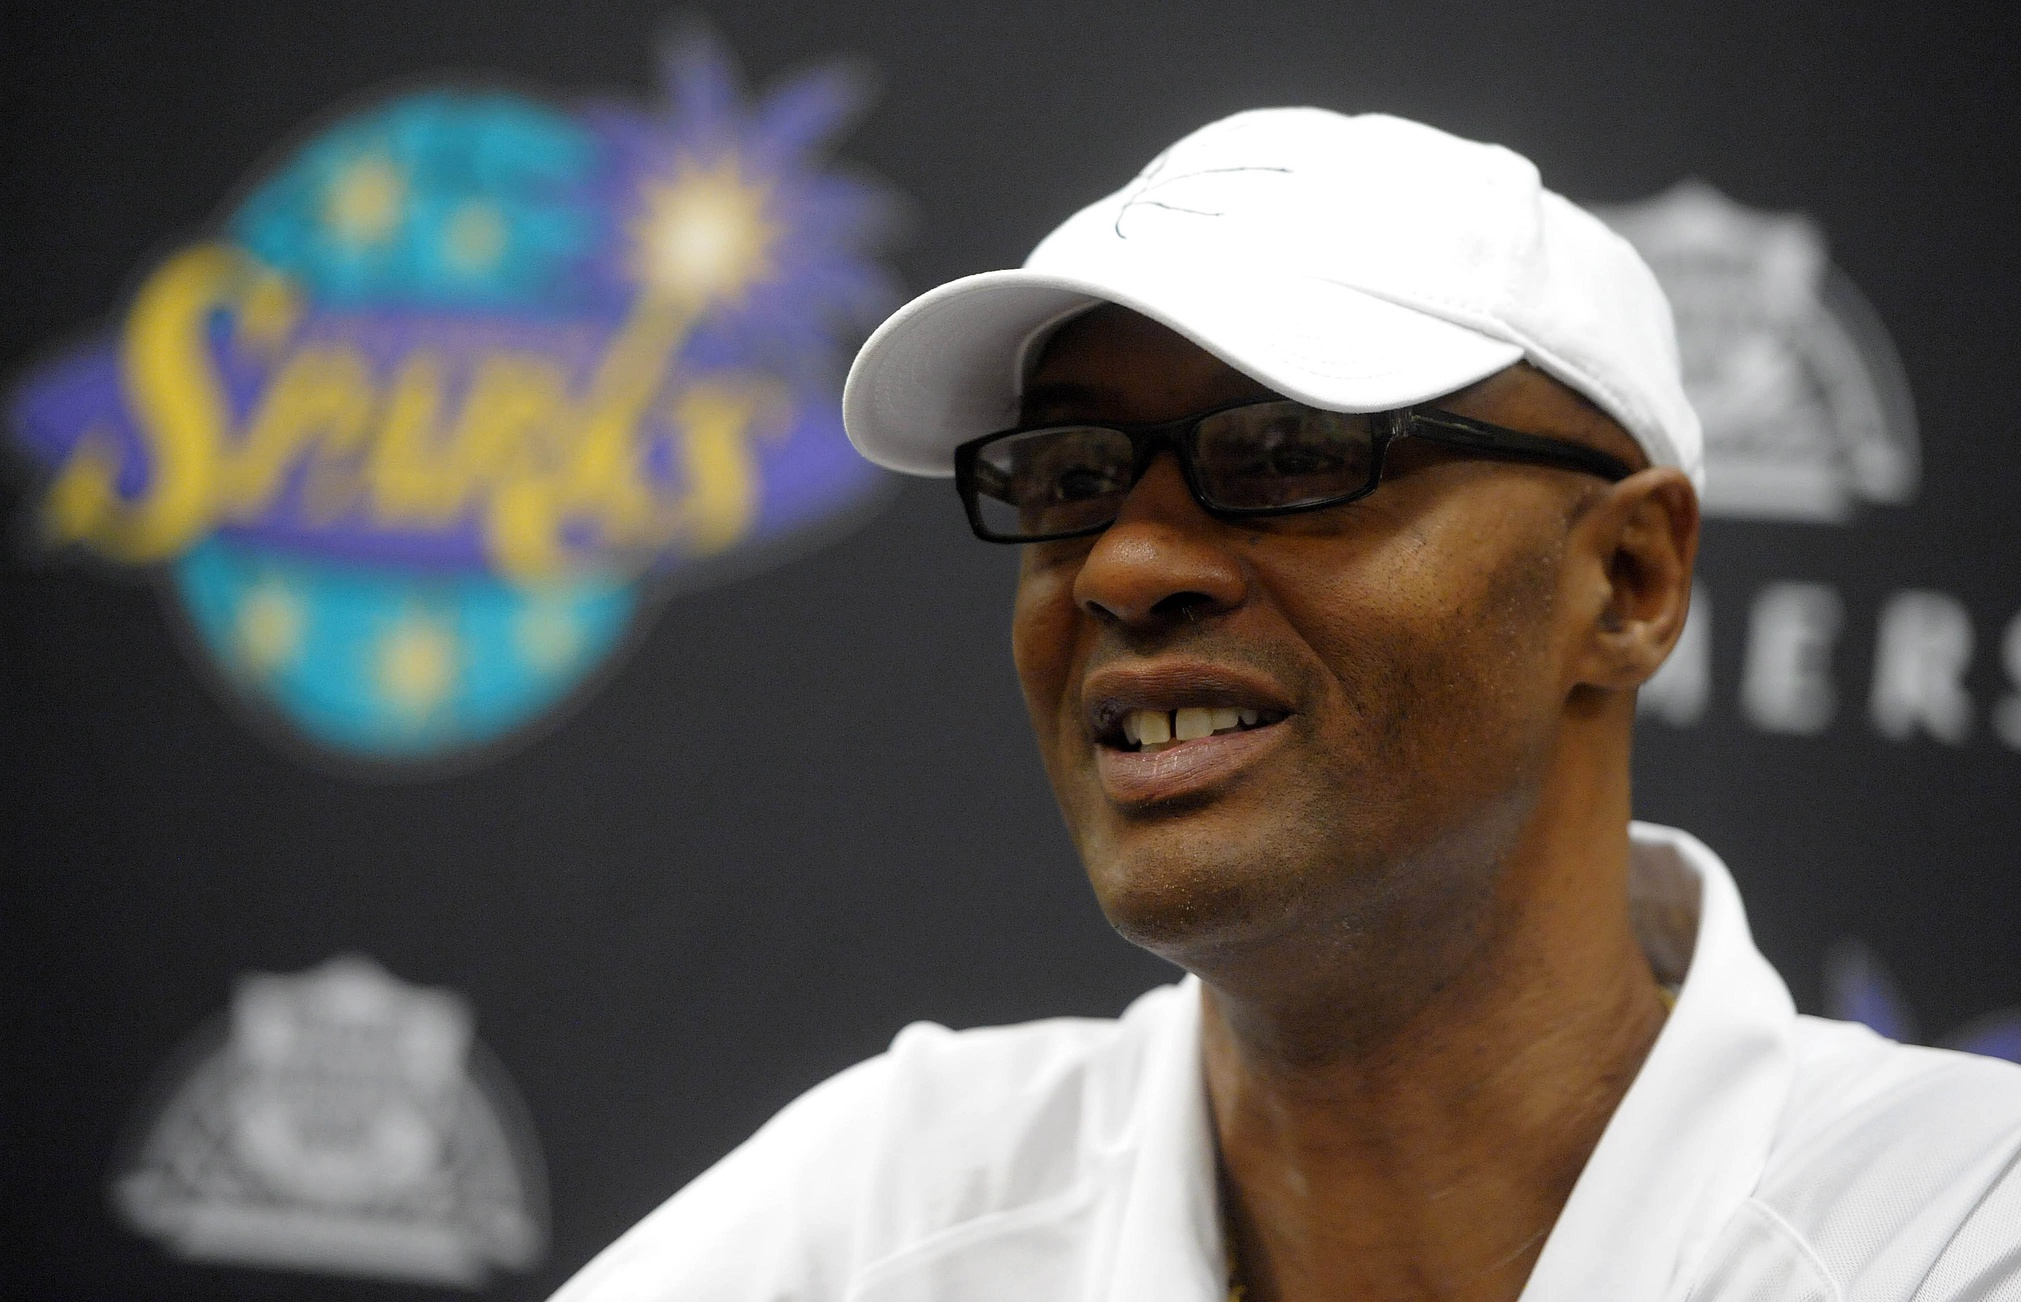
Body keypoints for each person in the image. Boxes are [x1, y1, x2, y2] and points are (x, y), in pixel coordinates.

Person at [552, 110, 2021, 1302]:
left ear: (1627, 577)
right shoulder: (898, 1203)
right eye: (1066, 475)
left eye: (1286, 450)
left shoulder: (1951, 1230)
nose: (1123, 564)